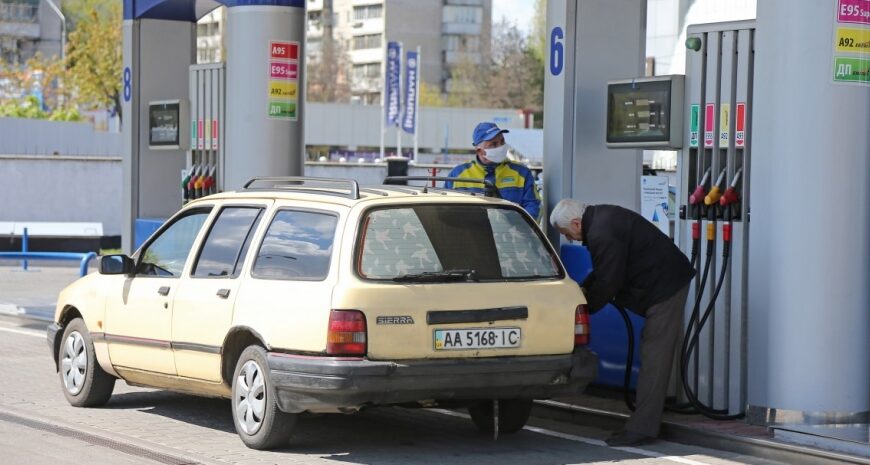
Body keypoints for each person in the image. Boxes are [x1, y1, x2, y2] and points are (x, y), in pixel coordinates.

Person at [549, 199, 694, 447]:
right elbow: (605, 269)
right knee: (653, 352)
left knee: (654, 355)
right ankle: (646, 418)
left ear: (575, 223)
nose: (570, 239)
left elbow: (608, 282)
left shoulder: (601, 232)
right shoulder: (600, 219)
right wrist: (583, 289)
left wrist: (582, 308)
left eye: (566, 234)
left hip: (665, 287)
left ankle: (643, 429)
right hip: (662, 281)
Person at [444, 122, 541, 219]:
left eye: (502, 141)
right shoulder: (457, 175)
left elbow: (533, 206)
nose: (501, 146)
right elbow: (445, 210)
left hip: (511, 233)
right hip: (469, 232)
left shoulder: (522, 173)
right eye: (494, 144)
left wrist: (518, 229)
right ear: (479, 151)